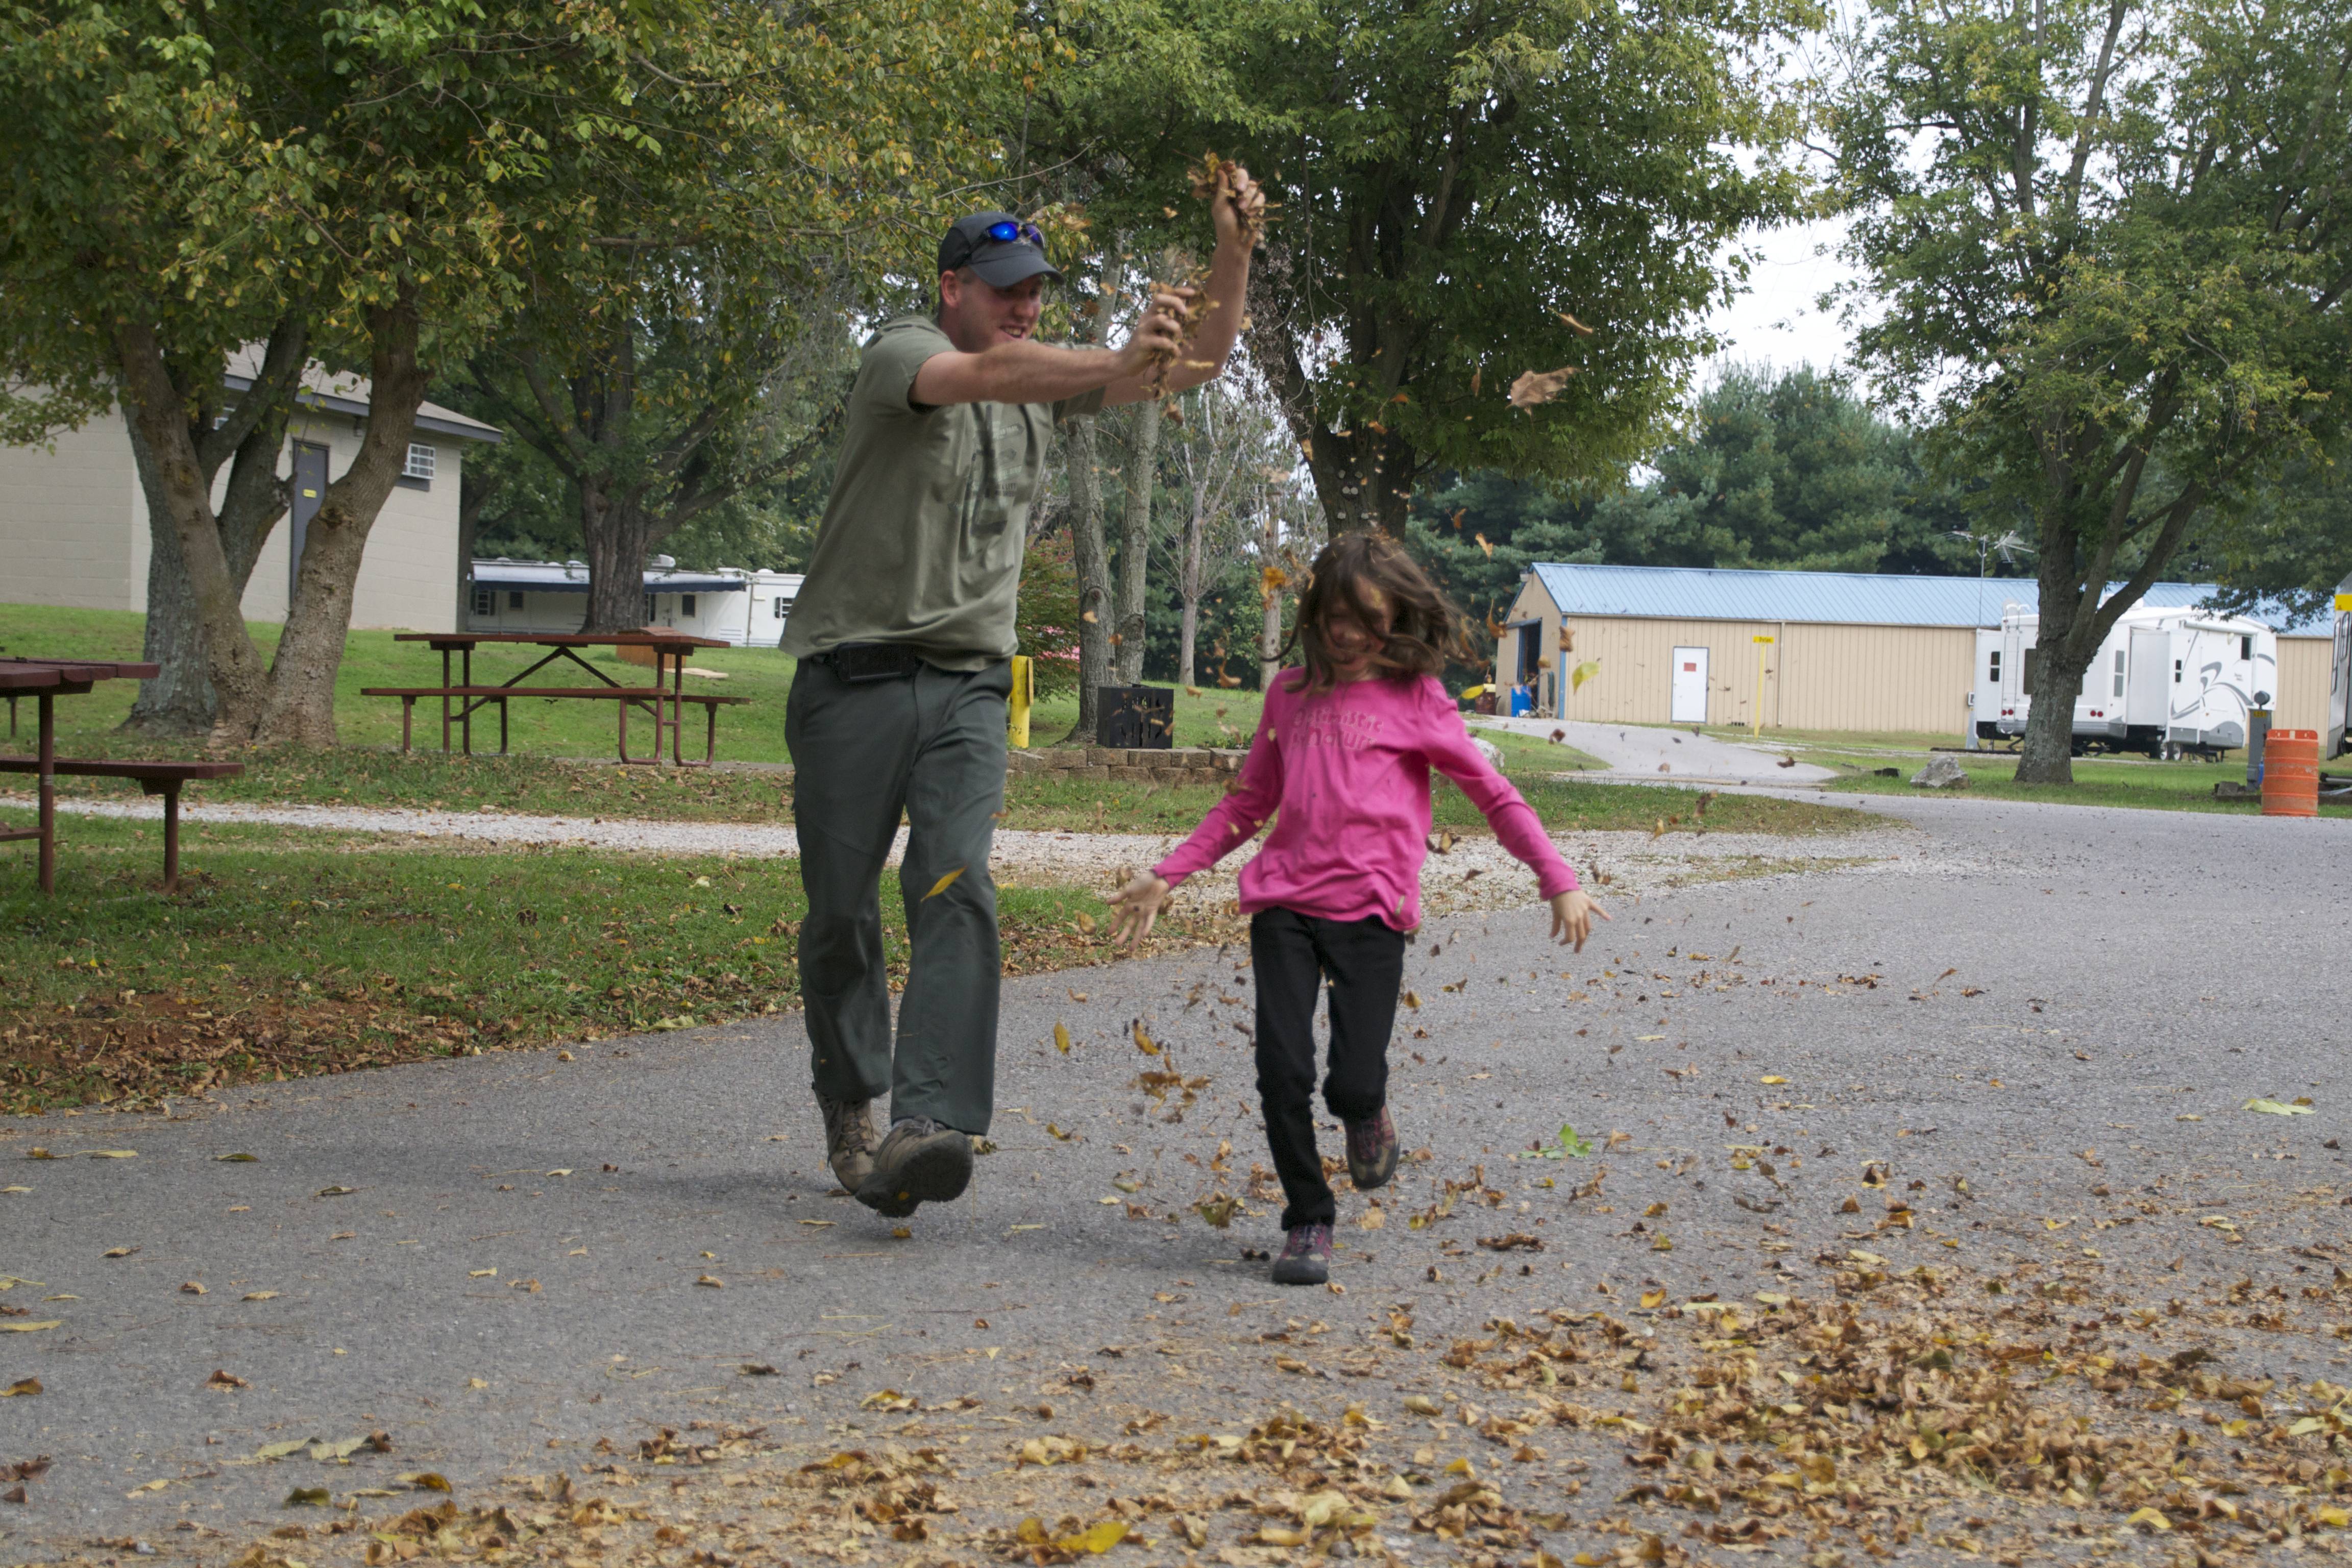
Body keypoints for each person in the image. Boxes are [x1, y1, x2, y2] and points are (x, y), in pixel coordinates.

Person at [781, 184, 1262, 1219]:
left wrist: (1231, 256)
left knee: (955, 879)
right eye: (1005, 289)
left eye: (1038, 291)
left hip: (967, 683)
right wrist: (1120, 360)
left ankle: (928, 1124)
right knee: (838, 915)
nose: (1025, 307)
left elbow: (1208, 360)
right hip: (851, 677)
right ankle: (849, 1105)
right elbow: (993, 372)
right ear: (951, 288)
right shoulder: (899, 356)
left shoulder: (1046, 379)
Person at [1107, 533, 1610, 1286]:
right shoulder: (1291, 694)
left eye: (1366, 618)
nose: (1346, 633)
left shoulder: (1417, 701)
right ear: (1314, 613)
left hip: (1373, 912)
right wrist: (1170, 873)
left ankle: (1367, 1114)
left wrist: (1556, 875)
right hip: (1285, 904)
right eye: (1334, 615)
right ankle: (1308, 1218)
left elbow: (1492, 795)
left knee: (1351, 1082)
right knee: (1282, 1070)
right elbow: (1251, 801)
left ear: (1395, 620)